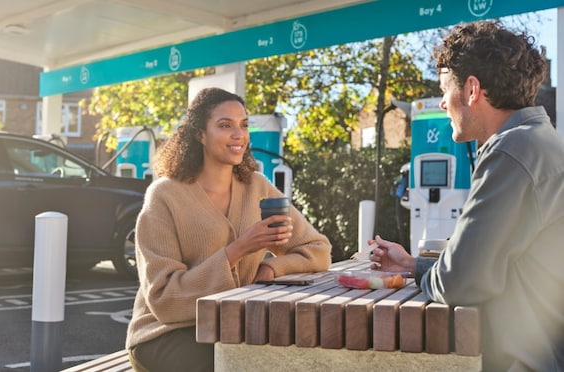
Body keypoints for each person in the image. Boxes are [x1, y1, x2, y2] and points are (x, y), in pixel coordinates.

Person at [369, 21, 564, 371]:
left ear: (472, 89)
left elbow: (462, 281)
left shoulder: (512, 151)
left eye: (445, 88)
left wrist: (429, 274)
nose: (443, 102)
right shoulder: (541, 141)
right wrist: (413, 265)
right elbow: (489, 262)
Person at [125, 87, 332, 372]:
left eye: (244, 125)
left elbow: (317, 250)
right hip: (164, 333)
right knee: (236, 365)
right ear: (200, 134)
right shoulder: (164, 196)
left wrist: (272, 269)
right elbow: (163, 299)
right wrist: (239, 249)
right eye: (225, 125)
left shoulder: (257, 186)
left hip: (232, 327)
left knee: (295, 357)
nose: (239, 135)